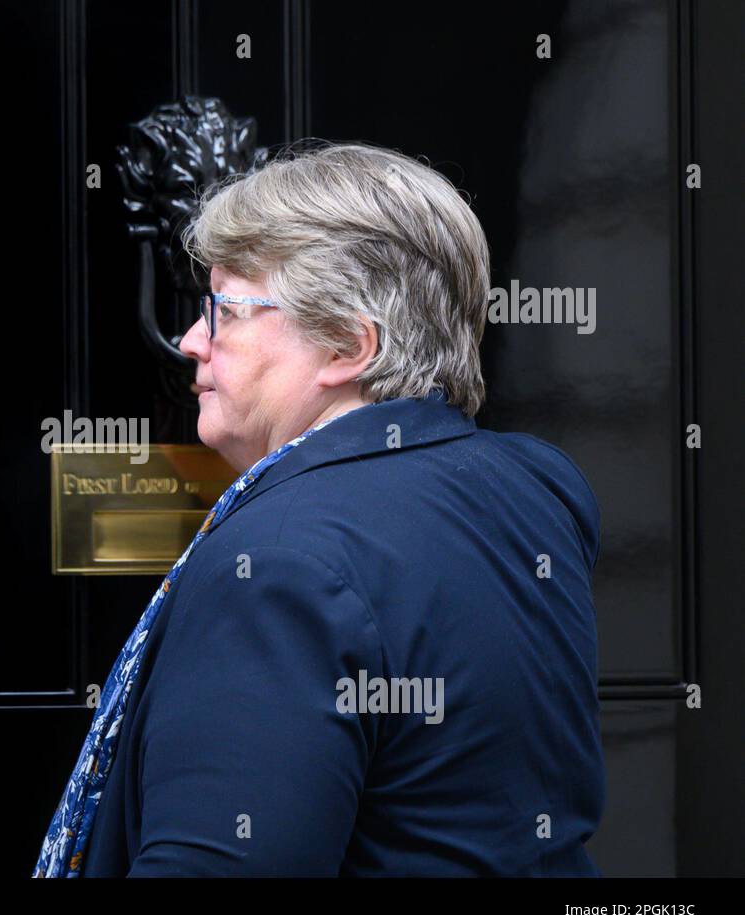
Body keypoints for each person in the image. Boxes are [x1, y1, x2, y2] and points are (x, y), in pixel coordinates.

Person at [35, 142, 604, 876]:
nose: (190, 341)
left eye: (225, 312)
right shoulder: (538, 488)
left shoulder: (275, 562)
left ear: (346, 344)